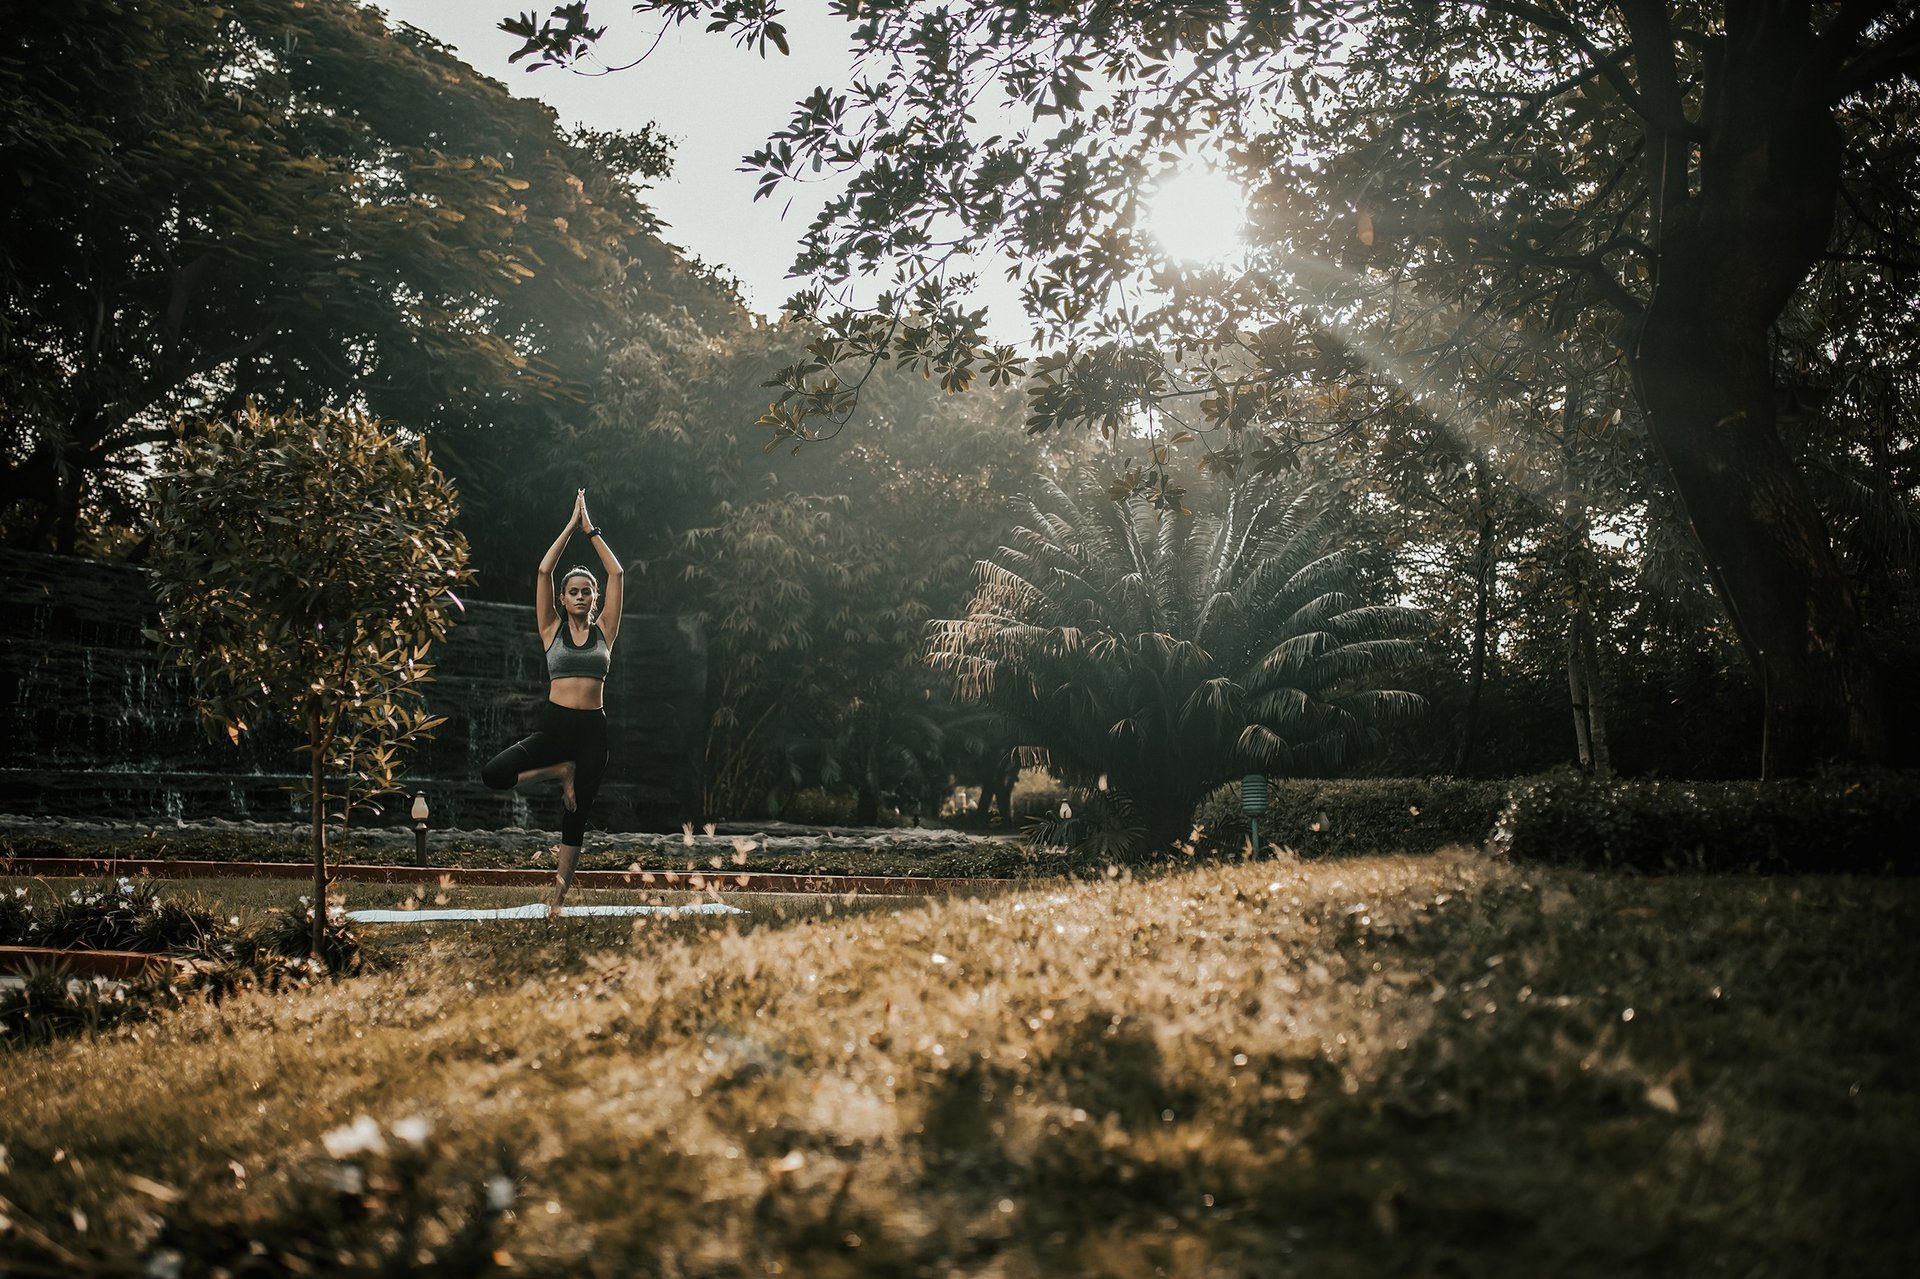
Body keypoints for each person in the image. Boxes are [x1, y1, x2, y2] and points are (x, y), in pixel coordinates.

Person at [480, 490, 623, 913]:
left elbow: (616, 574)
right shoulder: (551, 630)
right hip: (555, 726)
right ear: (563, 599)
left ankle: (557, 902)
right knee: (495, 773)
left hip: (594, 732)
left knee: (576, 816)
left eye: (586, 592)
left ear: (593, 599)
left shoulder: (606, 631)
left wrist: (591, 530)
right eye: (573, 591)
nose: (580, 596)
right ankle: (559, 770)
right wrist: (569, 526)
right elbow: (544, 571)